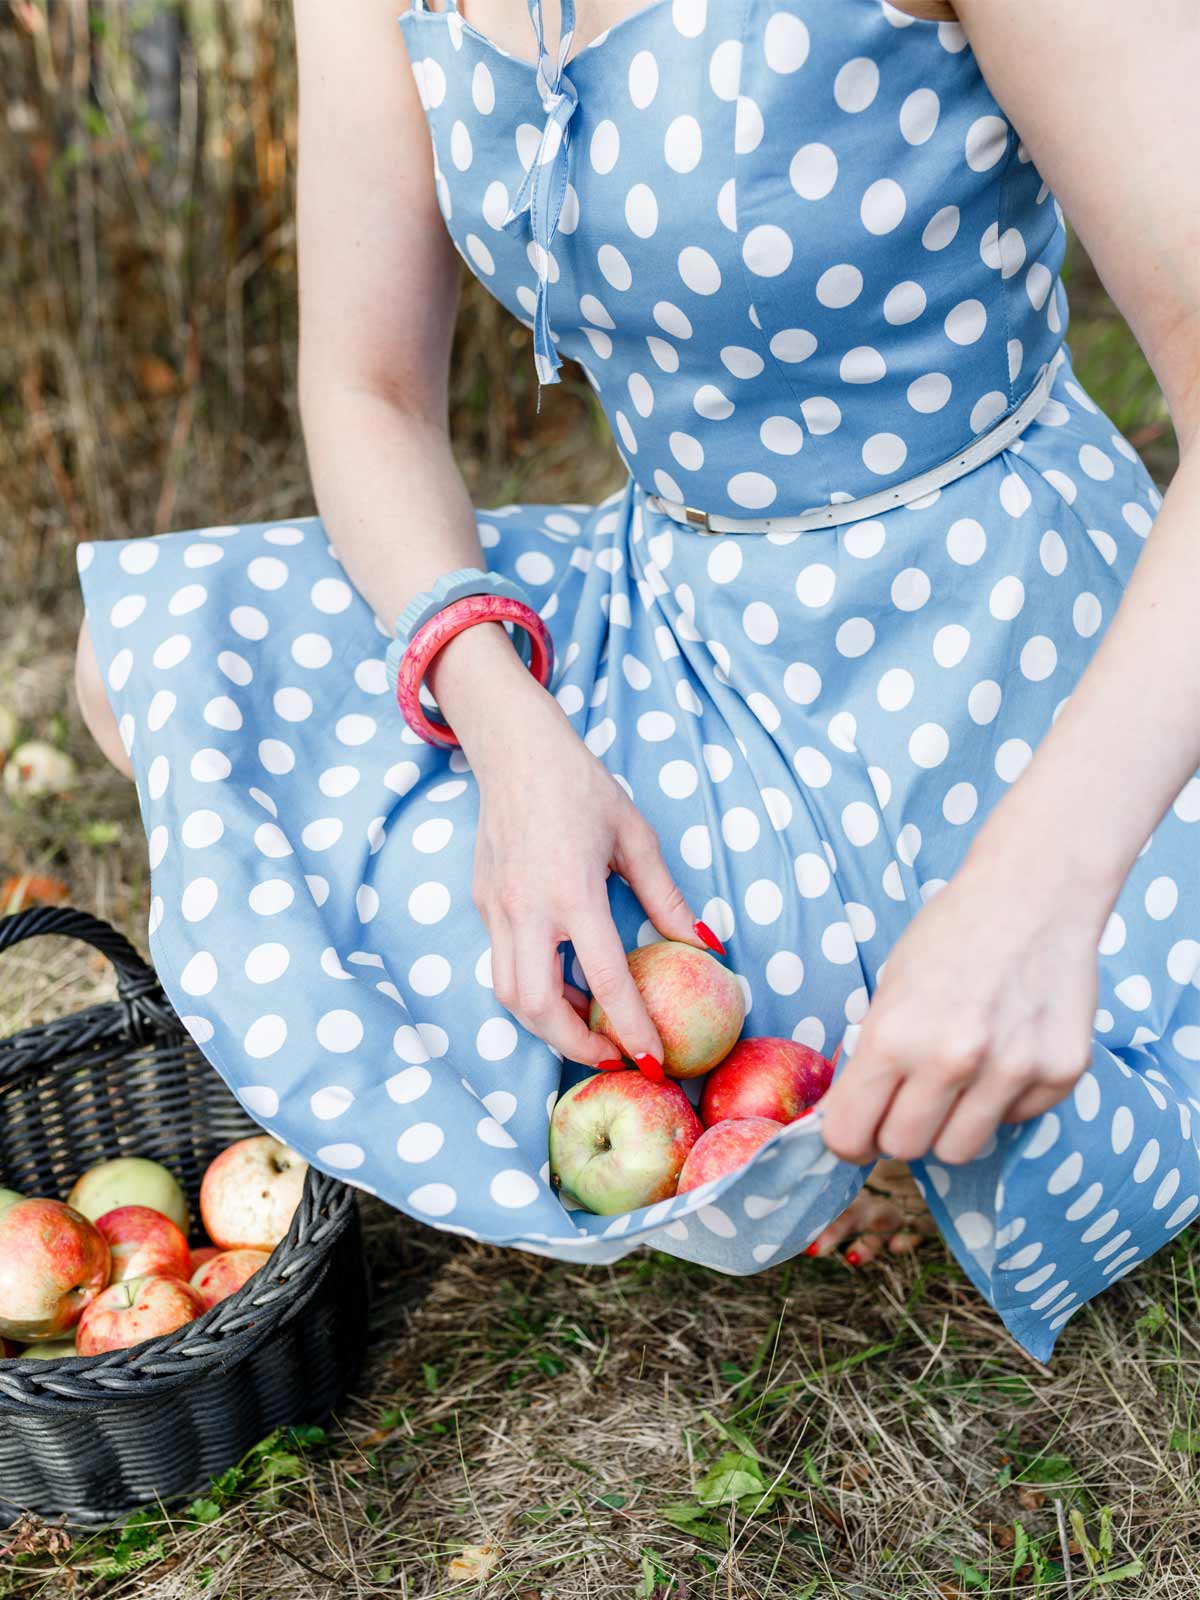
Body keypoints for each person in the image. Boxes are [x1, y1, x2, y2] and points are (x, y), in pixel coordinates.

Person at [74, 0, 1200, 1363]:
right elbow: (367, 390)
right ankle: (802, 1077)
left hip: (998, 642)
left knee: (978, 1035)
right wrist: (509, 732)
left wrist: (1034, 895)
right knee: (161, 660)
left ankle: (891, 1060)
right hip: (680, 615)